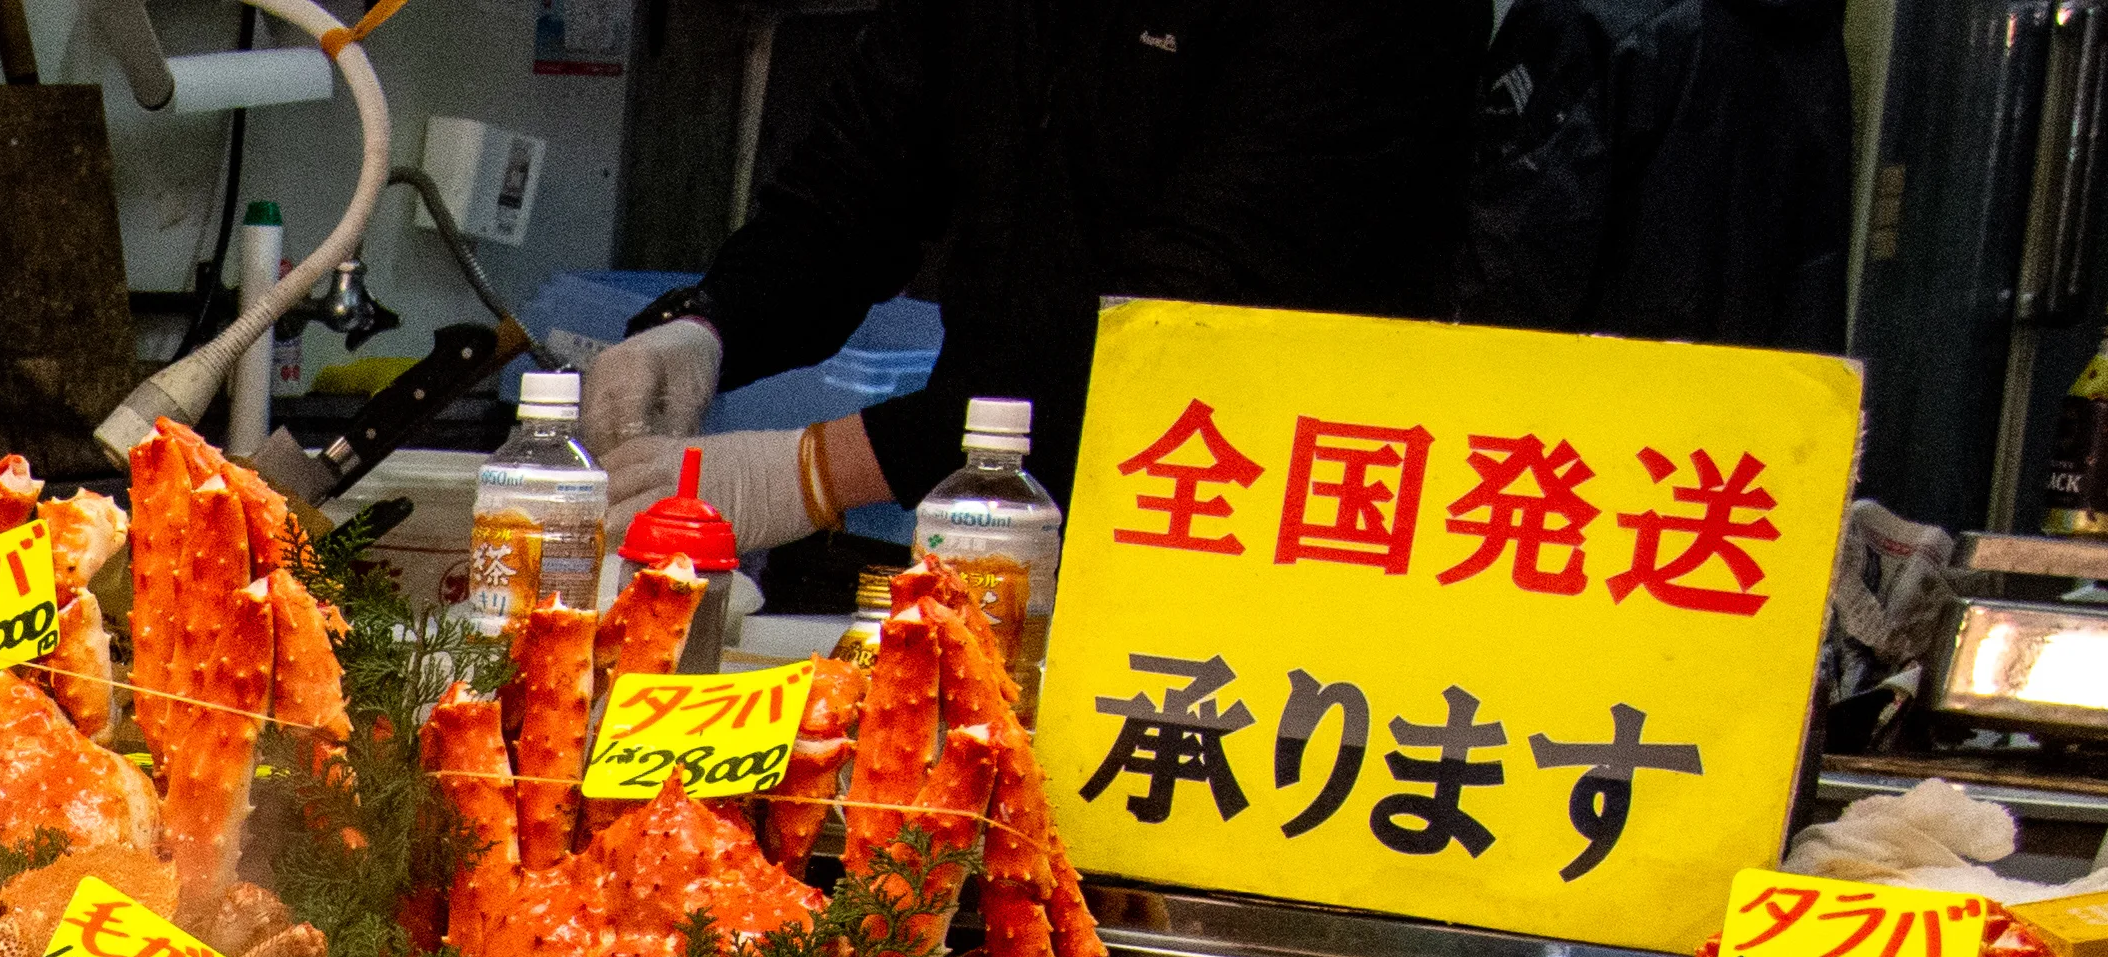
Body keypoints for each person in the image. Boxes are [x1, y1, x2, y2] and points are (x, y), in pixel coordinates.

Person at [579, 0, 1489, 557]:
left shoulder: (1370, 18)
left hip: (1245, 535)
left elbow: (1177, 343)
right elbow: (851, 193)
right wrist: (706, 325)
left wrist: (805, 472)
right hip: (988, 532)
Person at [1455, 0, 1856, 352]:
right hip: (1743, 416)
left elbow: (1515, 269)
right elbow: (1813, 273)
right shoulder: (1810, 30)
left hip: (1583, 408)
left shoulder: (1587, 15)